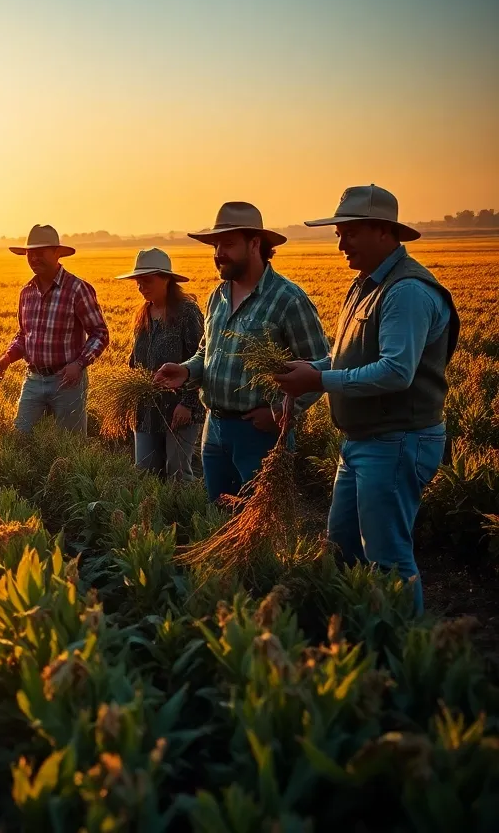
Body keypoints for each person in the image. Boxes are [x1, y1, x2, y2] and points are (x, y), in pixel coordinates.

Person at [275, 184, 458, 613]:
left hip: (396, 441)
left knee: (389, 559)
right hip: (364, 440)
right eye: (339, 232)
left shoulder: (406, 291)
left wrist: (319, 382)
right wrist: (313, 368)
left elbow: (396, 371)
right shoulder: (366, 285)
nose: (340, 242)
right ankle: (360, 636)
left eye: (349, 231)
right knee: (342, 547)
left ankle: (403, 655)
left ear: (383, 231)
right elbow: (347, 356)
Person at [154, 202, 329, 502]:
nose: (218, 252)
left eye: (228, 244)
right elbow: (207, 353)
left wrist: (278, 414)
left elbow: (320, 368)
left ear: (255, 244)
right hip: (215, 428)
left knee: (258, 528)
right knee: (219, 517)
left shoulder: (288, 299)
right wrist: (186, 371)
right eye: (216, 244)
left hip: (260, 434)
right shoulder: (217, 296)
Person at [0, 224, 109, 433]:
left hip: (66, 381)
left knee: (69, 445)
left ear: (56, 253)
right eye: (30, 253)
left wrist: (79, 364)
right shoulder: (26, 292)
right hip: (33, 379)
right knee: (21, 438)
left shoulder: (77, 289)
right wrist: (7, 357)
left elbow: (100, 333)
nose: (34, 258)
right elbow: (24, 335)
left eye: (40, 252)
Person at [115, 248, 204, 480]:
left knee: (178, 473)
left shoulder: (187, 312)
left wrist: (188, 403)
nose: (141, 287)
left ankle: (185, 514)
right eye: (138, 282)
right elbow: (134, 362)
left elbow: (201, 358)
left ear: (166, 279)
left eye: (147, 281)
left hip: (179, 409)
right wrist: (127, 397)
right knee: (145, 474)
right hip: (146, 410)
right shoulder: (142, 314)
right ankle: (153, 516)